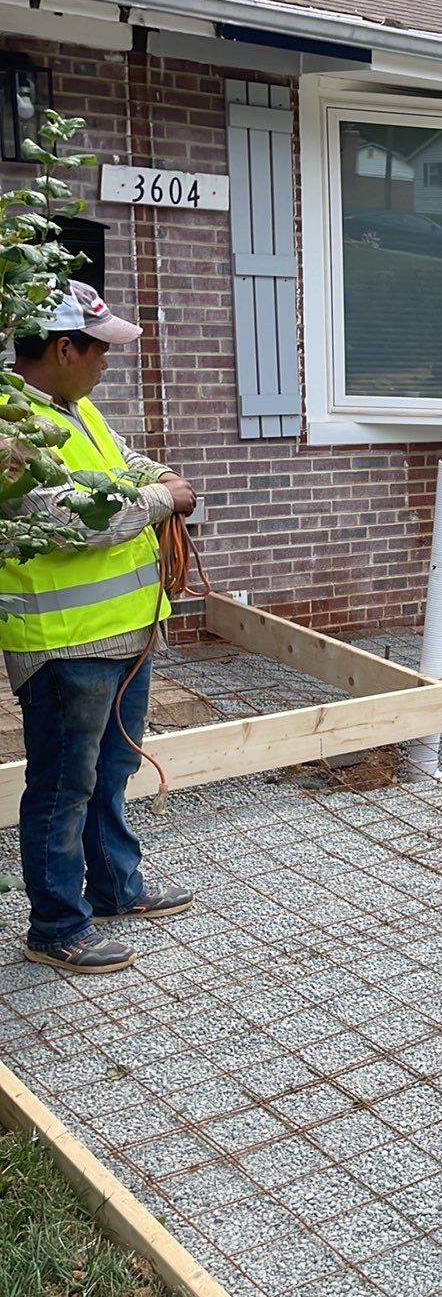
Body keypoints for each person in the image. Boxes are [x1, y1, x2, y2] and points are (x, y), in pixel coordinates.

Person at [0, 281, 197, 974]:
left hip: (124, 633)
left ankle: (115, 886)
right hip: (66, 644)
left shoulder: (73, 408)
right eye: (100, 350)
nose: (107, 363)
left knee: (111, 770)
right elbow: (69, 519)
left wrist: (158, 474)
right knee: (62, 788)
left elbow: (121, 464)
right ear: (63, 349)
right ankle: (56, 927)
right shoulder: (12, 425)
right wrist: (162, 498)